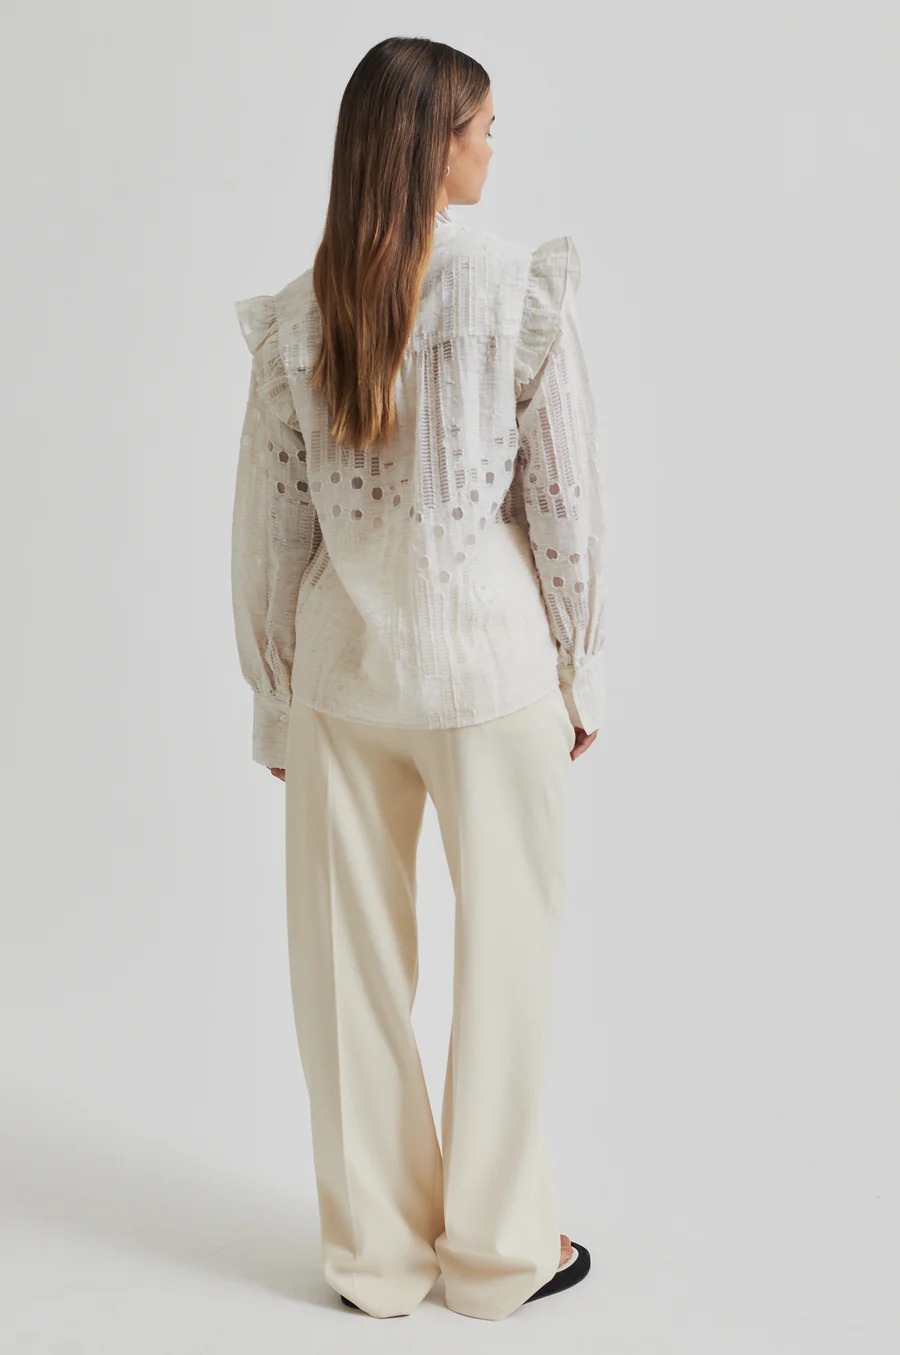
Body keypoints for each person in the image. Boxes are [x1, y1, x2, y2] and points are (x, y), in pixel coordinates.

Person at [230, 36, 607, 1322]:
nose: (496, 145)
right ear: (432, 145)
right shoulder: (517, 291)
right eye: (483, 126)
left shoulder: (303, 312)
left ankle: (379, 1259)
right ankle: (499, 1255)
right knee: (508, 962)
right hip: (494, 672)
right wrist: (580, 667)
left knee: (347, 975)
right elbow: (562, 501)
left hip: (344, 679)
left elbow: (273, 526)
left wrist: (276, 696)